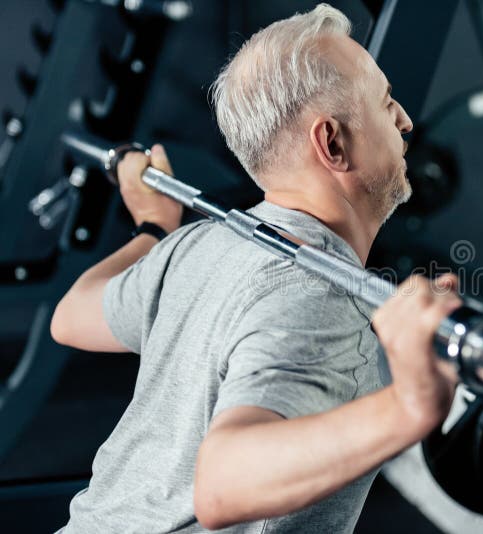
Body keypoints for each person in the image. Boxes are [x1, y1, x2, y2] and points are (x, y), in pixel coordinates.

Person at [50, 4, 461, 533]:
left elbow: (72, 313)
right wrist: (409, 405)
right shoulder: (318, 295)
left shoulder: (197, 244)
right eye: (386, 104)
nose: (405, 119)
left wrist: (153, 226)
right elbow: (223, 484)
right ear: (332, 143)